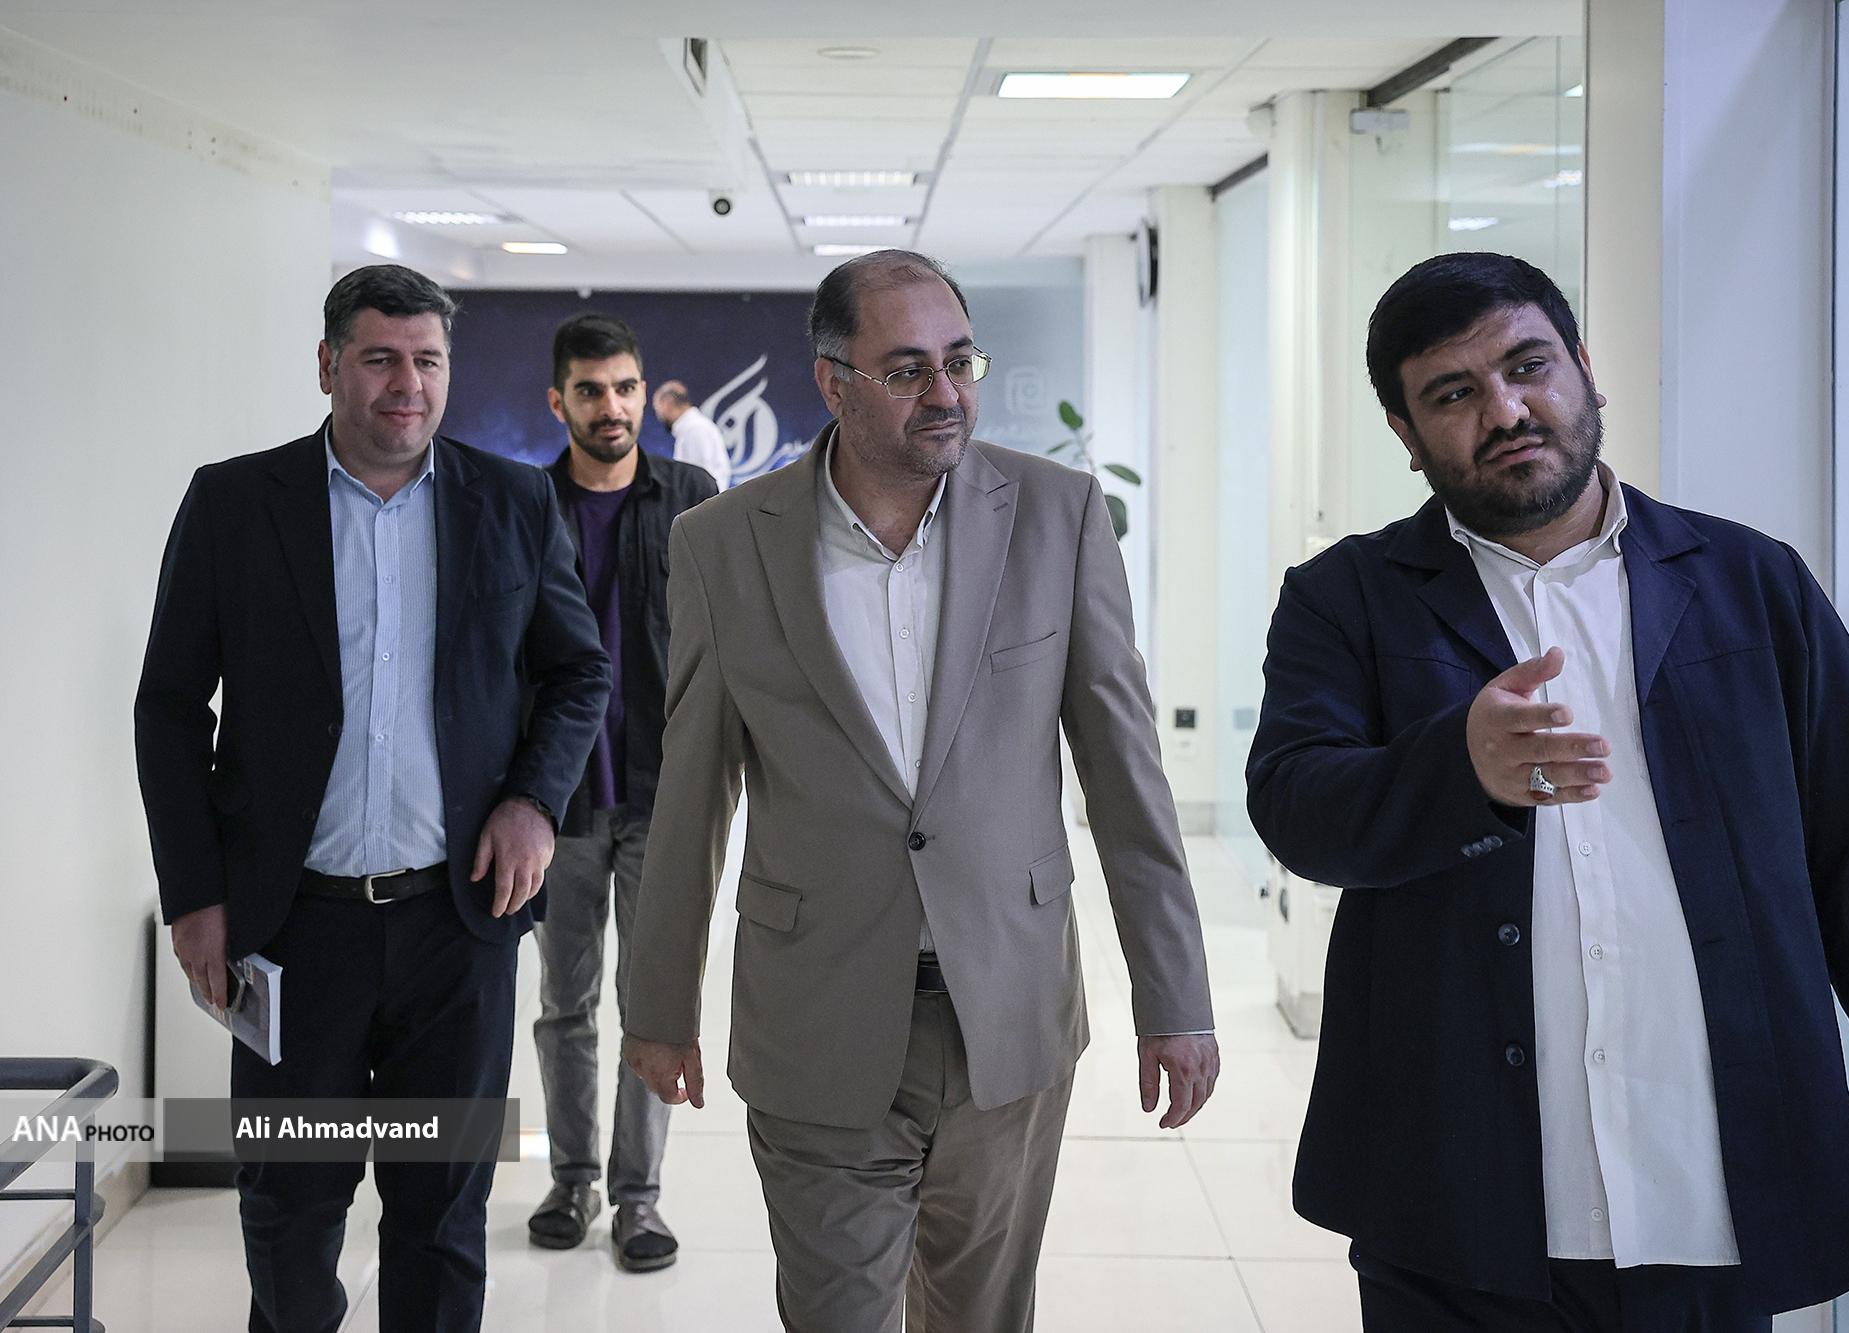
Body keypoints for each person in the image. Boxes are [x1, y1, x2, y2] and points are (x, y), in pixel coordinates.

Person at [1246, 251, 1849, 1330]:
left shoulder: (1752, 585)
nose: (1505, 410)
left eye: (1527, 366)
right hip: (1455, 1207)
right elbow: (1296, 807)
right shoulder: (1348, 599)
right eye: (1453, 394)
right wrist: (1459, 768)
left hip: (1707, 1198)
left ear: (1584, 370)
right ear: (1406, 436)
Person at [620, 249, 1221, 1333]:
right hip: (816, 1013)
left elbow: (1125, 773)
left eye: (959, 361)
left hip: (1008, 1007)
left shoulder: (1056, 515)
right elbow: (692, 793)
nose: (945, 392)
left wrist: (1173, 997)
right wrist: (659, 1006)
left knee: (982, 1312)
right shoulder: (723, 544)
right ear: (832, 381)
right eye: (906, 369)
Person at [134, 264, 610, 1333]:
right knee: (288, 1208)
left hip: (458, 925)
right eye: (381, 358)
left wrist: (533, 800)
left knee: (442, 1214)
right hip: (289, 928)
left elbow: (578, 671)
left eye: (428, 360)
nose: (408, 384)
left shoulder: (512, 500)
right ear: (328, 365)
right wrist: (194, 895)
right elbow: (168, 708)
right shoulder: (235, 504)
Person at [526, 313, 716, 1269]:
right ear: (557, 400)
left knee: (652, 1005)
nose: (613, 406)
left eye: (627, 387)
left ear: (646, 392)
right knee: (565, 1003)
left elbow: (725, 644)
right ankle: (572, 1179)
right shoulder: (525, 505)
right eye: (591, 390)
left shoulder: (691, 500)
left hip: (661, 797)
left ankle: (639, 1197)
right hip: (556, 804)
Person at [652, 379, 732, 492]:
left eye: (657, 408)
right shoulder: (692, 428)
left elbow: (700, 478)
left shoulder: (695, 429)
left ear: (667, 404)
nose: (659, 415)